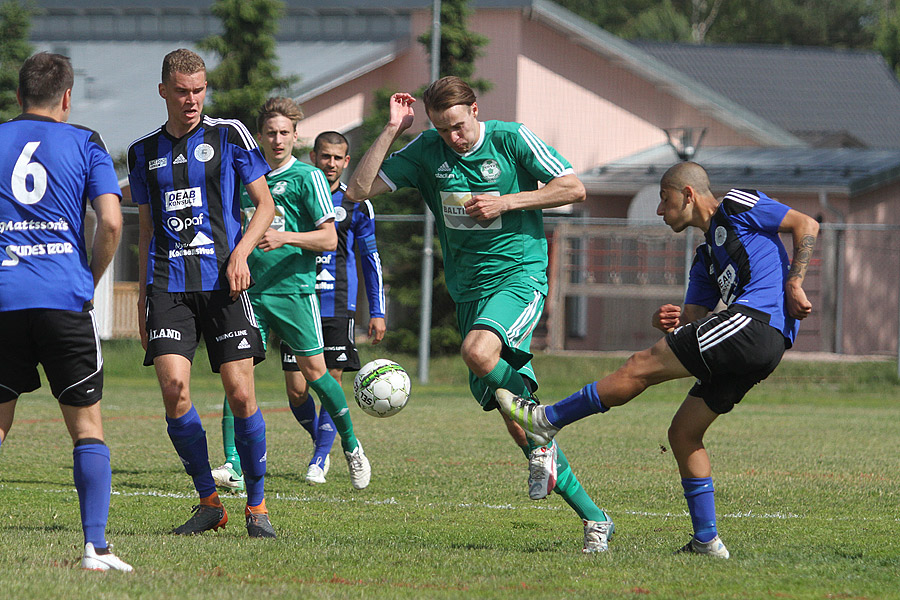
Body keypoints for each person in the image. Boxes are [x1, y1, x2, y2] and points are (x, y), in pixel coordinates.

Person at [497, 161, 819, 558]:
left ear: (688, 195)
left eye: (664, 201)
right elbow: (691, 325)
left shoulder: (736, 204)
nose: (659, 211)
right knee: (683, 433)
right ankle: (706, 540)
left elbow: (807, 224)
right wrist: (664, 322)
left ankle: (547, 420)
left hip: (756, 323)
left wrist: (795, 282)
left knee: (640, 366)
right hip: (759, 345)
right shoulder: (705, 260)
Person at [346, 76, 614, 553]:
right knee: (518, 425)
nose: (454, 137)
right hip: (469, 293)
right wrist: (391, 129)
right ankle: (595, 517)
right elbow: (357, 188)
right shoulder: (428, 151)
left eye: (459, 126)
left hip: (519, 275)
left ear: (475, 110)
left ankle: (542, 424)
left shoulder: (511, 138)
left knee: (476, 351)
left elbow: (574, 188)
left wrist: (508, 200)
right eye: (443, 129)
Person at [127, 49, 277, 538]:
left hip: (223, 283)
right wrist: (142, 295)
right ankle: (209, 503)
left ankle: (257, 508)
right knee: (174, 391)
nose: (192, 100)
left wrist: (241, 254)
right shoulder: (142, 152)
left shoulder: (228, 133)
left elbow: (264, 205)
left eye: (199, 90)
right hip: (169, 285)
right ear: (163, 91)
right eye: (183, 91)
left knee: (240, 394)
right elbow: (146, 228)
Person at [0, 52, 132, 571]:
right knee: (86, 427)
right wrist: (89, 281)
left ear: (18, 97)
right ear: (68, 98)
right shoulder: (85, 140)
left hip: (4, 298)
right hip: (62, 297)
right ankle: (95, 549)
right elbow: (112, 223)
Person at [211, 99, 372, 492]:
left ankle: (351, 447)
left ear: (296, 136)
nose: (278, 139)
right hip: (249, 294)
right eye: (270, 132)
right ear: (260, 135)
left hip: (295, 292)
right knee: (237, 377)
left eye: (285, 132)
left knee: (316, 375)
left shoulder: (308, 178)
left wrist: (284, 237)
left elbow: (329, 238)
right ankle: (233, 463)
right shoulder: (245, 174)